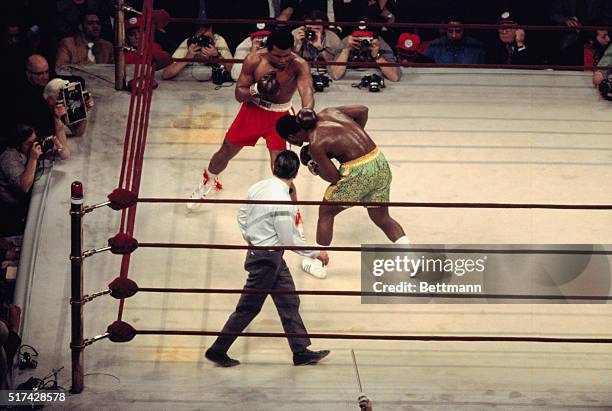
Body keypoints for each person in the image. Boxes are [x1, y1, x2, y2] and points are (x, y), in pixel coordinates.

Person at [204, 150, 330, 367]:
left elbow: (242, 214)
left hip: (267, 256)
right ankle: (217, 350)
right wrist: (316, 253)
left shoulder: (258, 186)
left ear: (274, 168)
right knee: (248, 308)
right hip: (267, 260)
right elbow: (288, 240)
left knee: (289, 300)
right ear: (295, 174)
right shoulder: (282, 201)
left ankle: (301, 351)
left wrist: (251, 237)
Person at [187, 29, 314, 208]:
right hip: (253, 111)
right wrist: (257, 90)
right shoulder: (254, 60)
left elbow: (306, 90)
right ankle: (208, 181)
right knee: (225, 151)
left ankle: (293, 215)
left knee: (282, 169)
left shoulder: (299, 64)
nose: (283, 60)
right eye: (278, 56)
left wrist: (307, 110)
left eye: (287, 55)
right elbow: (239, 93)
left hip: (281, 116)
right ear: (268, 49)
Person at [275, 106, 409, 249]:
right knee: (381, 217)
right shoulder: (329, 112)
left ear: (291, 137)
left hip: (359, 172)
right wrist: (353, 136)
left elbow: (334, 178)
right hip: (379, 162)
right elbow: (363, 110)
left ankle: (319, 262)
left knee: (326, 212)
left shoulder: (316, 144)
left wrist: (313, 166)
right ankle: (411, 256)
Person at [0, 123, 69, 236]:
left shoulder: (33, 148)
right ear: (18, 145)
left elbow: (65, 155)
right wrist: (33, 158)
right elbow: (24, 186)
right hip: (10, 211)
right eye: (29, 143)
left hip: (25, 203)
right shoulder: (9, 158)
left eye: (35, 140)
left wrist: (56, 142)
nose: (34, 145)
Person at [161, 23, 232, 81]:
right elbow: (166, 74)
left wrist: (217, 56)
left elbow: (232, 71)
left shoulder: (218, 40)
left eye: (207, 29)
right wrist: (187, 58)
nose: (205, 34)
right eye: (201, 30)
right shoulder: (190, 42)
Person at [330, 27, 401, 82]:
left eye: (366, 38)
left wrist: (377, 56)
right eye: (359, 38)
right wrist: (346, 50)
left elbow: (394, 77)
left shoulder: (379, 43)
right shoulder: (347, 41)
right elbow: (336, 75)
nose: (363, 42)